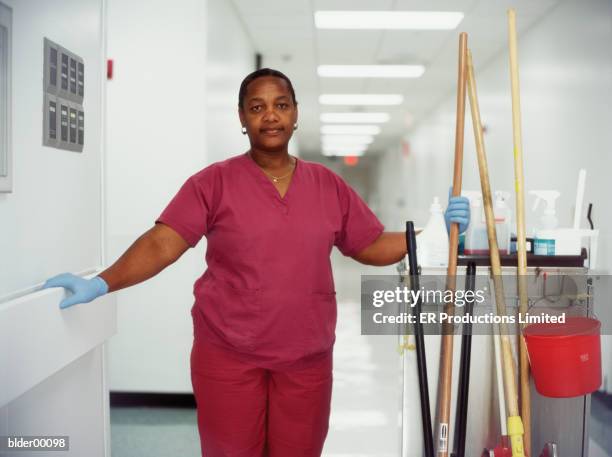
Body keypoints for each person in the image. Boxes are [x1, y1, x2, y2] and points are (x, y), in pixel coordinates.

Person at [43, 68, 470, 457]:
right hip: (227, 354)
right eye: (257, 107)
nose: (270, 116)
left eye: (281, 105)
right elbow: (162, 243)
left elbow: (370, 244)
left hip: (306, 356)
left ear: (296, 114)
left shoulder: (327, 185)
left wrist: (429, 235)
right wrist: (102, 282)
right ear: (242, 117)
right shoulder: (213, 183)